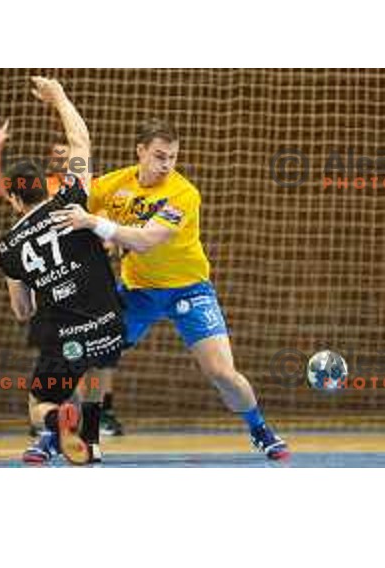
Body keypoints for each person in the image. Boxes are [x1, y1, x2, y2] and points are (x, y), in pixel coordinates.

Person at [51, 118, 290, 460]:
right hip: (139, 292)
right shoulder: (114, 184)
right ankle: (86, 435)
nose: (166, 164)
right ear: (141, 152)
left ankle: (259, 429)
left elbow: (147, 240)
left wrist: (94, 223)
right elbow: (78, 196)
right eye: (159, 156)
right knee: (92, 352)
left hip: (189, 290)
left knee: (222, 373)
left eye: (172, 157)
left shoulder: (183, 193)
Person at [0, 77, 125, 464]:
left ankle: (56, 420)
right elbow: (81, 142)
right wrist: (59, 96)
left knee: (40, 401)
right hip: (108, 322)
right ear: (43, 188)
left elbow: (22, 312)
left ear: (14, 198)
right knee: (94, 373)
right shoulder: (70, 199)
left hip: (63, 336)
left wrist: (7, 267)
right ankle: (89, 442)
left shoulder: (8, 249)